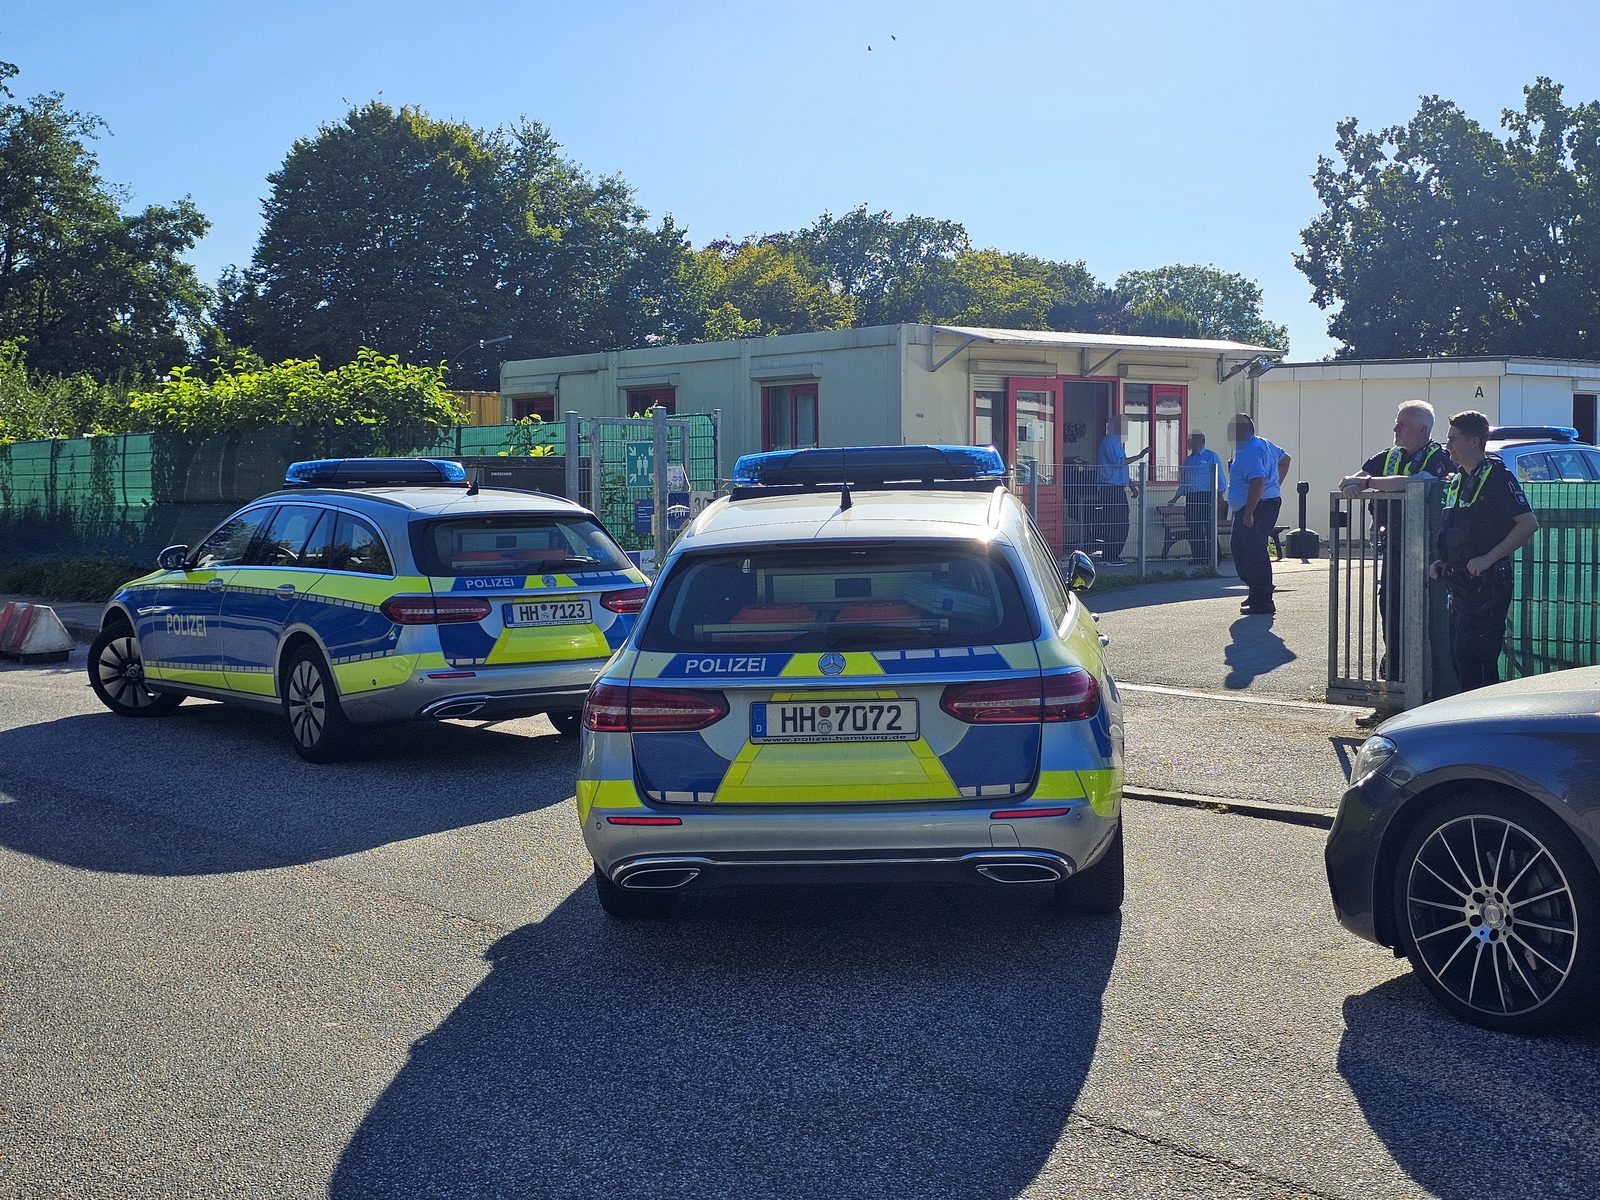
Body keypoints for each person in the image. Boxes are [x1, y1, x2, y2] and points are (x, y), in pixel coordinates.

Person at [1338, 400, 1456, 724]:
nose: (1395, 430)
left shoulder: (1439, 457)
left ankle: (1429, 706)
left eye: (1401, 425)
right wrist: (1354, 482)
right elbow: (1352, 476)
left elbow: (1413, 483)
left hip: (1431, 556)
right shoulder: (1388, 456)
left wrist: (1364, 483)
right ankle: (1390, 704)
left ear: (1422, 430)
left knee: (1430, 628)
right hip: (1394, 552)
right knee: (1392, 620)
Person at [1428, 410, 1539, 692]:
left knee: (1477, 662)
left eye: (1453, 439)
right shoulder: (1459, 479)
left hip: (1487, 588)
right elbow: (1464, 531)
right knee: (1461, 658)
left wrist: (1490, 558)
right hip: (1460, 586)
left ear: (1475, 441)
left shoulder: (1497, 476)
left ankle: (1480, 724)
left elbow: (1528, 524)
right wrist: (1445, 561)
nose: (1447, 445)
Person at [1225, 414, 1289, 615]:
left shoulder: (1249, 450)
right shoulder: (1263, 443)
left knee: (1253, 551)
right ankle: (1256, 592)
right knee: (1241, 548)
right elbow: (1285, 459)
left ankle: (1263, 600)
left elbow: (1258, 481)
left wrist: (1249, 514)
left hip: (1256, 506)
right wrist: (1275, 484)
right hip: (1261, 503)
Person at [1096, 414, 1150, 565]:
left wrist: (1131, 485)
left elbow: (1122, 469)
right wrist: (1140, 456)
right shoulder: (1110, 441)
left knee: (1122, 522)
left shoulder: (1117, 443)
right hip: (1110, 488)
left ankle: (1114, 554)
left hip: (1118, 488)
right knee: (1114, 522)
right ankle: (1109, 556)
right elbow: (1119, 462)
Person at [1173, 430, 1223, 563]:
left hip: (1206, 496)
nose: (1188, 443)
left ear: (1200, 442)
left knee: (1209, 526)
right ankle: (1198, 557)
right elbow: (1185, 482)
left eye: (1190, 441)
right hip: (1192, 497)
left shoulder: (1211, 456)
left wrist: (1220, 495)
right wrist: (1175, 498)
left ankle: (1215, 556)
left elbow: (1220, 477)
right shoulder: (1188, 460)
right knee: (1193, 527)